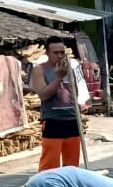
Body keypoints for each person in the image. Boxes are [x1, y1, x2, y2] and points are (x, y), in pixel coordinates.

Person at [30, 36, 85, 171]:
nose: (60, 56)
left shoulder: (69, 70)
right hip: (53, 120)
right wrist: (58, 77)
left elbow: (75, 94)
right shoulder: (39, 70)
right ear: (47, 54)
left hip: (72, 120)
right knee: (50, 165)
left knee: (72, 166)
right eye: (56, 53)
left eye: (62, 52)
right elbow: (43, 95)